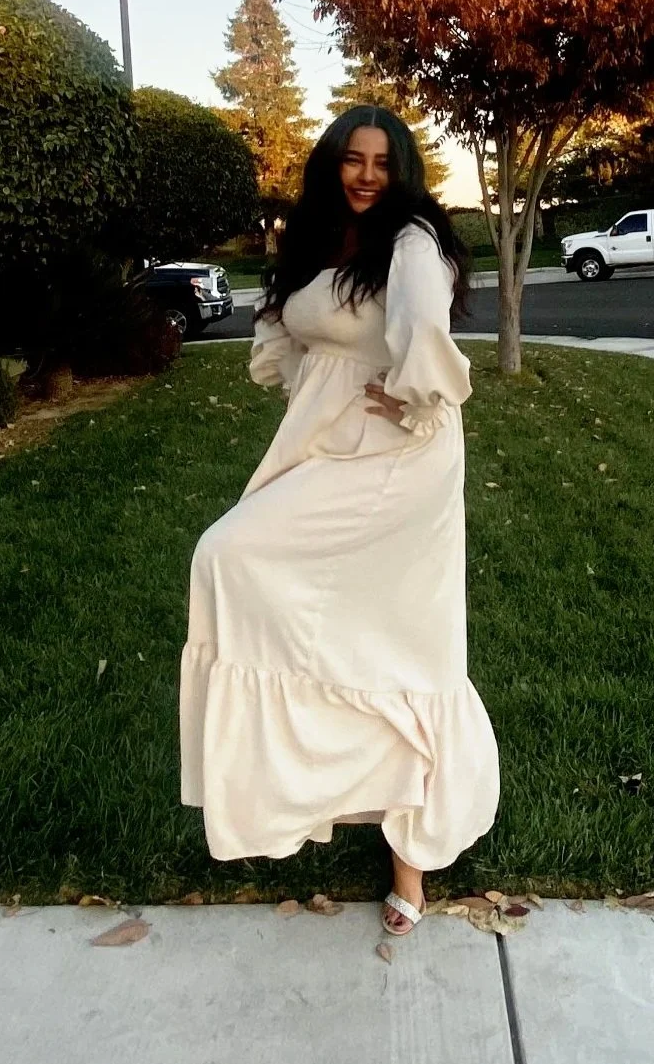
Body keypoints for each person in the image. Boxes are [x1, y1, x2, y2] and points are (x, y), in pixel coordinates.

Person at [179, 105, 500, 936]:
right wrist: (312, 387)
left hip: (396, 455)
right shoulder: (317, 239)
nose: (366, 175)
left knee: (402, 639)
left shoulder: (412, 240)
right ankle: (314, 782)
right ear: (331, 164)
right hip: (326, 443)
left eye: (382, 162)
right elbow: (290, 331)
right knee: (263, 578)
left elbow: (423, 329)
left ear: (402, 171)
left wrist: (417, 394)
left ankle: (411, 867)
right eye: (353, 159)